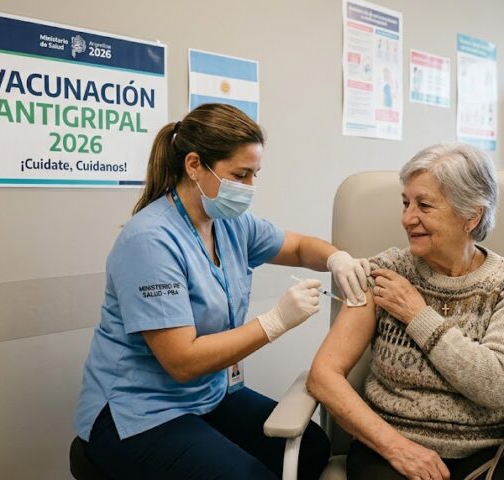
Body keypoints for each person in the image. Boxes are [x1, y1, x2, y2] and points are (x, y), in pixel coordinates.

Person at [74, 103, 372, 480]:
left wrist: (336, 259)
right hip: (139, 413)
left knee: (311, 449)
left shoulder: (230, 224)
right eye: (240, 175)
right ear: (194, 165)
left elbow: (296, 246)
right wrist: (275, 322)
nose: (249, 188)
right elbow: (182, 362)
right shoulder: (150, 241)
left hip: (205, 396)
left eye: (255, 175)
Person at [306, 144, 504, 480]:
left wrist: (418, 315)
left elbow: (498, 385)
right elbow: (323, 376)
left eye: (424, 205)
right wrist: (397, 448)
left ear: (471, 215)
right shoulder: (387, 272)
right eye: (405, 203)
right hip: (389, 450)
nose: (407, 218)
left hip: (490, 450)